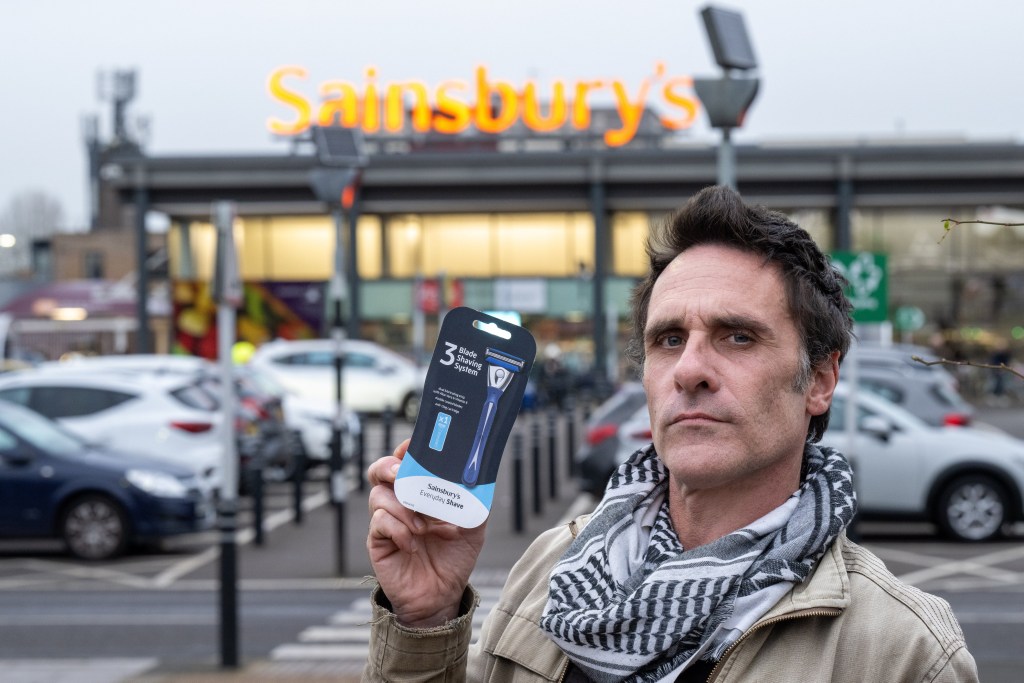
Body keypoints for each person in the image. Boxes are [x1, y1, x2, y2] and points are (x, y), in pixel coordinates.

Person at [364, 186, 978, 682]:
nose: (690, 370)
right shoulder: (550, 568)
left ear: (820, 378)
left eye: (738, 336)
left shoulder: (901, 652)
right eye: (668, 340)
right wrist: (426, 618)